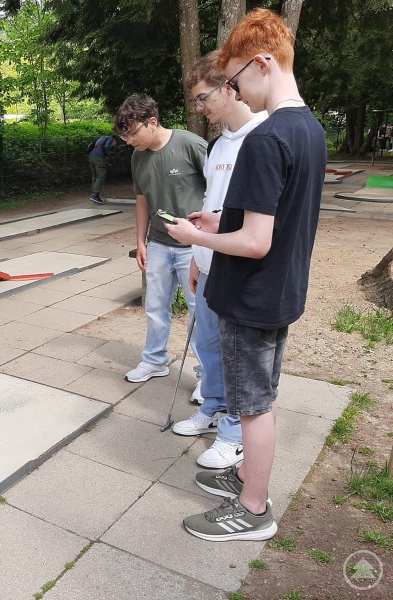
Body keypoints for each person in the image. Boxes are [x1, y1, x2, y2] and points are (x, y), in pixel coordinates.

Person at [167, 9, 327, 541]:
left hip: (252, 296)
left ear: (262, 64)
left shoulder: (265, 138)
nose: (234, 92)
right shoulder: (309, 129)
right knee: (264, 396)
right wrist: (222, 220)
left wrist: (198, 238)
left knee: (253, 406)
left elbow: (255, 243)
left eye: (234, 80)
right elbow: (274, 221)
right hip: (282, 291)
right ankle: (247, 478)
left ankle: (253, 508)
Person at [172, 50, 268, 470]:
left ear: (229, 87)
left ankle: (235, 433)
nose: (200, 106)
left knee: (237, 355)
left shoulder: (262, 138)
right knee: (208, 344)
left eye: (203, 96)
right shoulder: (216, 145)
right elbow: (213, 206)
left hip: (240, 267)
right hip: (209, 263)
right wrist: (196, 257)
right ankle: (212, 407)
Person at [114, 94, 205, 393]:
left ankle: (208, 375)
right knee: (154, 305)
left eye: (132, 133)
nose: (129, 141)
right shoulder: (137, 157)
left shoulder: (190, 144)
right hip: (159, 244)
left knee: (199, 311)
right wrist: (140, 240)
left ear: (152, 123)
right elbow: (142, 200)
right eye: (124, 136)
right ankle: (154, 360)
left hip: (194, 245)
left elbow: (219, 190)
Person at [88, 134, 117, 204]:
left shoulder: (101, 138)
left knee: (95, 177)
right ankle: (94, 195)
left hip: (91, 156)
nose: (113, 146)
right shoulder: (110, 138)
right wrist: (107, 155)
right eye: (115, 144)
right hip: (98, 156)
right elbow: (106, 146)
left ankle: (96, 196)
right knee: (100, 176)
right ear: (115, 140)